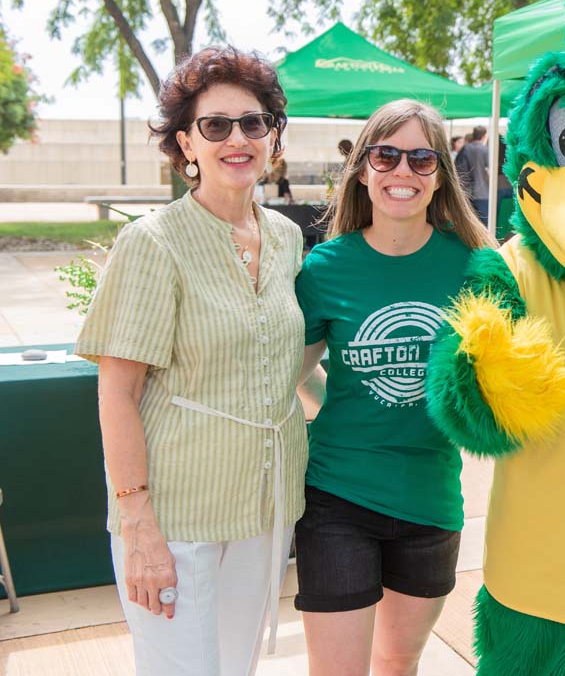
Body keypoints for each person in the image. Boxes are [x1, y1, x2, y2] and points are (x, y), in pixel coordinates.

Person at [75, 46, 306, 675]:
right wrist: (138, 526)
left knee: (236, 669)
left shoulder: (287, 239)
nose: (238, 138)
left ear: (273, 136)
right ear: (186, 144)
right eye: (216, 125)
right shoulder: (152, 242)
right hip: (176, 519)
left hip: (262, 508)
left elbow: (284, 362)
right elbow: (117, 393)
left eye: (253, 122)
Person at [292, 99, 493, 676]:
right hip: (338, 498)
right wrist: (338, 410)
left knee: (396, 664)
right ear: (362, 168)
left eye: (421, 159)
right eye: (386, 155)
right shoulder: (326, 267)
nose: (402, 171)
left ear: (439, 177)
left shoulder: (475, 264)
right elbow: (295, 373)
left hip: (430, 499)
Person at [454, 124, 490, 221]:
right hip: (483, 193)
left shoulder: (464, 149)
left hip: (466, 193)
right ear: (484, 136)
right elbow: (491, 170)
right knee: (485, 224)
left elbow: (458, 170)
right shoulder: (486, 150)